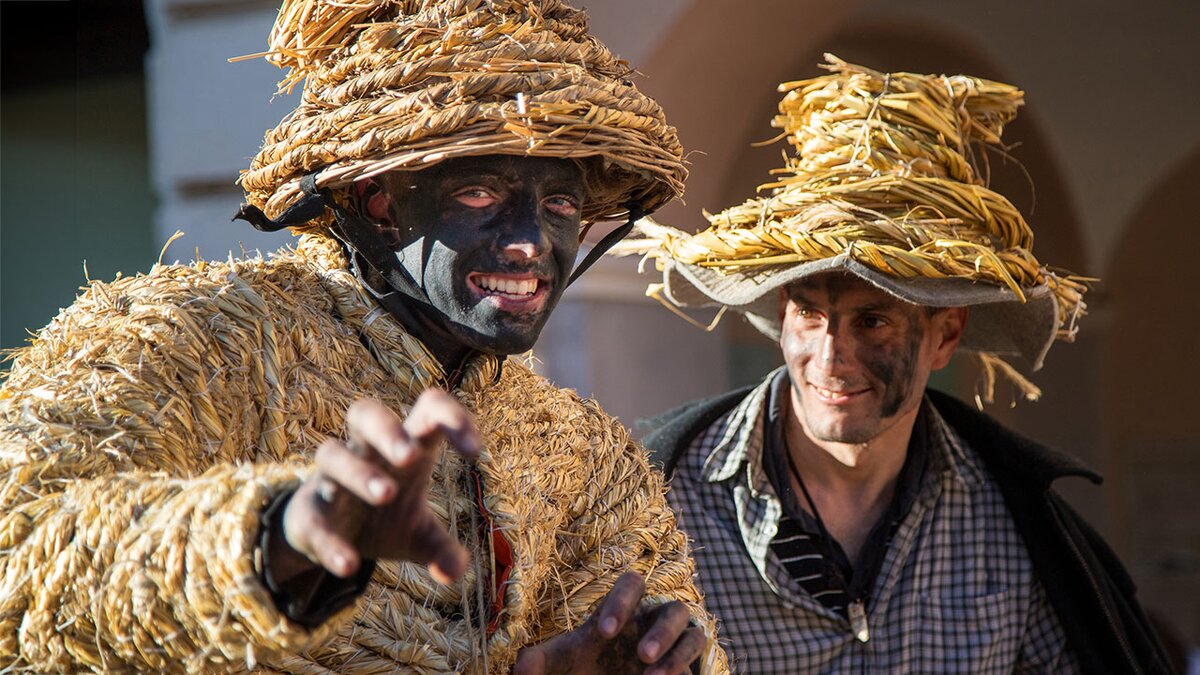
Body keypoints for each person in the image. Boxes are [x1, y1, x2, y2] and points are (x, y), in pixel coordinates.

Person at [0, 1, 729, 673]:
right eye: (481, 193)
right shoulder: (193, 342)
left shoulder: (589, 460)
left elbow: (658, 623)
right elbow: (20, 544)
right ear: (379, 201)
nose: (529, 244)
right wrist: (280, 538)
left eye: (561, 202)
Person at [622, 56, 1173, 674]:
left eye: (872, 321)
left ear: (946, 337)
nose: (831, 357)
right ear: (782, 314)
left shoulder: (1012, 519)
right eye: (809, 314)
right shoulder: (657, 497)